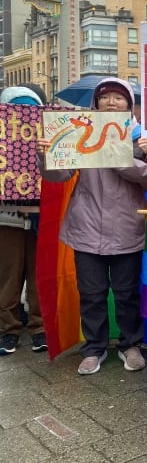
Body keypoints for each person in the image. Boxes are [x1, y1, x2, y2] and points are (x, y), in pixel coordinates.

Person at [36, 78, 147, 375]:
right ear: (95, 103)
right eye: (105, 97)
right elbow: (59, 177)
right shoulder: (79, 133)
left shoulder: (141, 137)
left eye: (118, 97)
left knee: (127, 293)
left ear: (130, 104)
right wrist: (47, 154)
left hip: (128, 227)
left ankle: (131, 345)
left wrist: (121, 157)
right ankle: (94, 348)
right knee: (92, 293)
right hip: (85, 227)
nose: (111, 102)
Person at [0, 85, 48, 355]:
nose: (24, 115)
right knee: (8, 277)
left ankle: (40, 328)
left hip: (43, 219)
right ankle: (8, 330)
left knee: (39, 275)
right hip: (8, 220)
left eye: (31, 109)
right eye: (17, 109)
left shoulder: (47, 141)